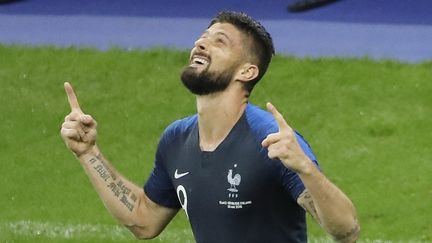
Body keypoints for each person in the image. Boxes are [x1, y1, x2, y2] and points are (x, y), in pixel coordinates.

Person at [60, 11, 360, 243]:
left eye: (220, 41)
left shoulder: (270, 141)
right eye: (202, 37)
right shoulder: (176, 139)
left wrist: (306, 169)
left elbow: (347, 231)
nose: (200, 43)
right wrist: (88, 153)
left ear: (247, 70)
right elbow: (144, 220)